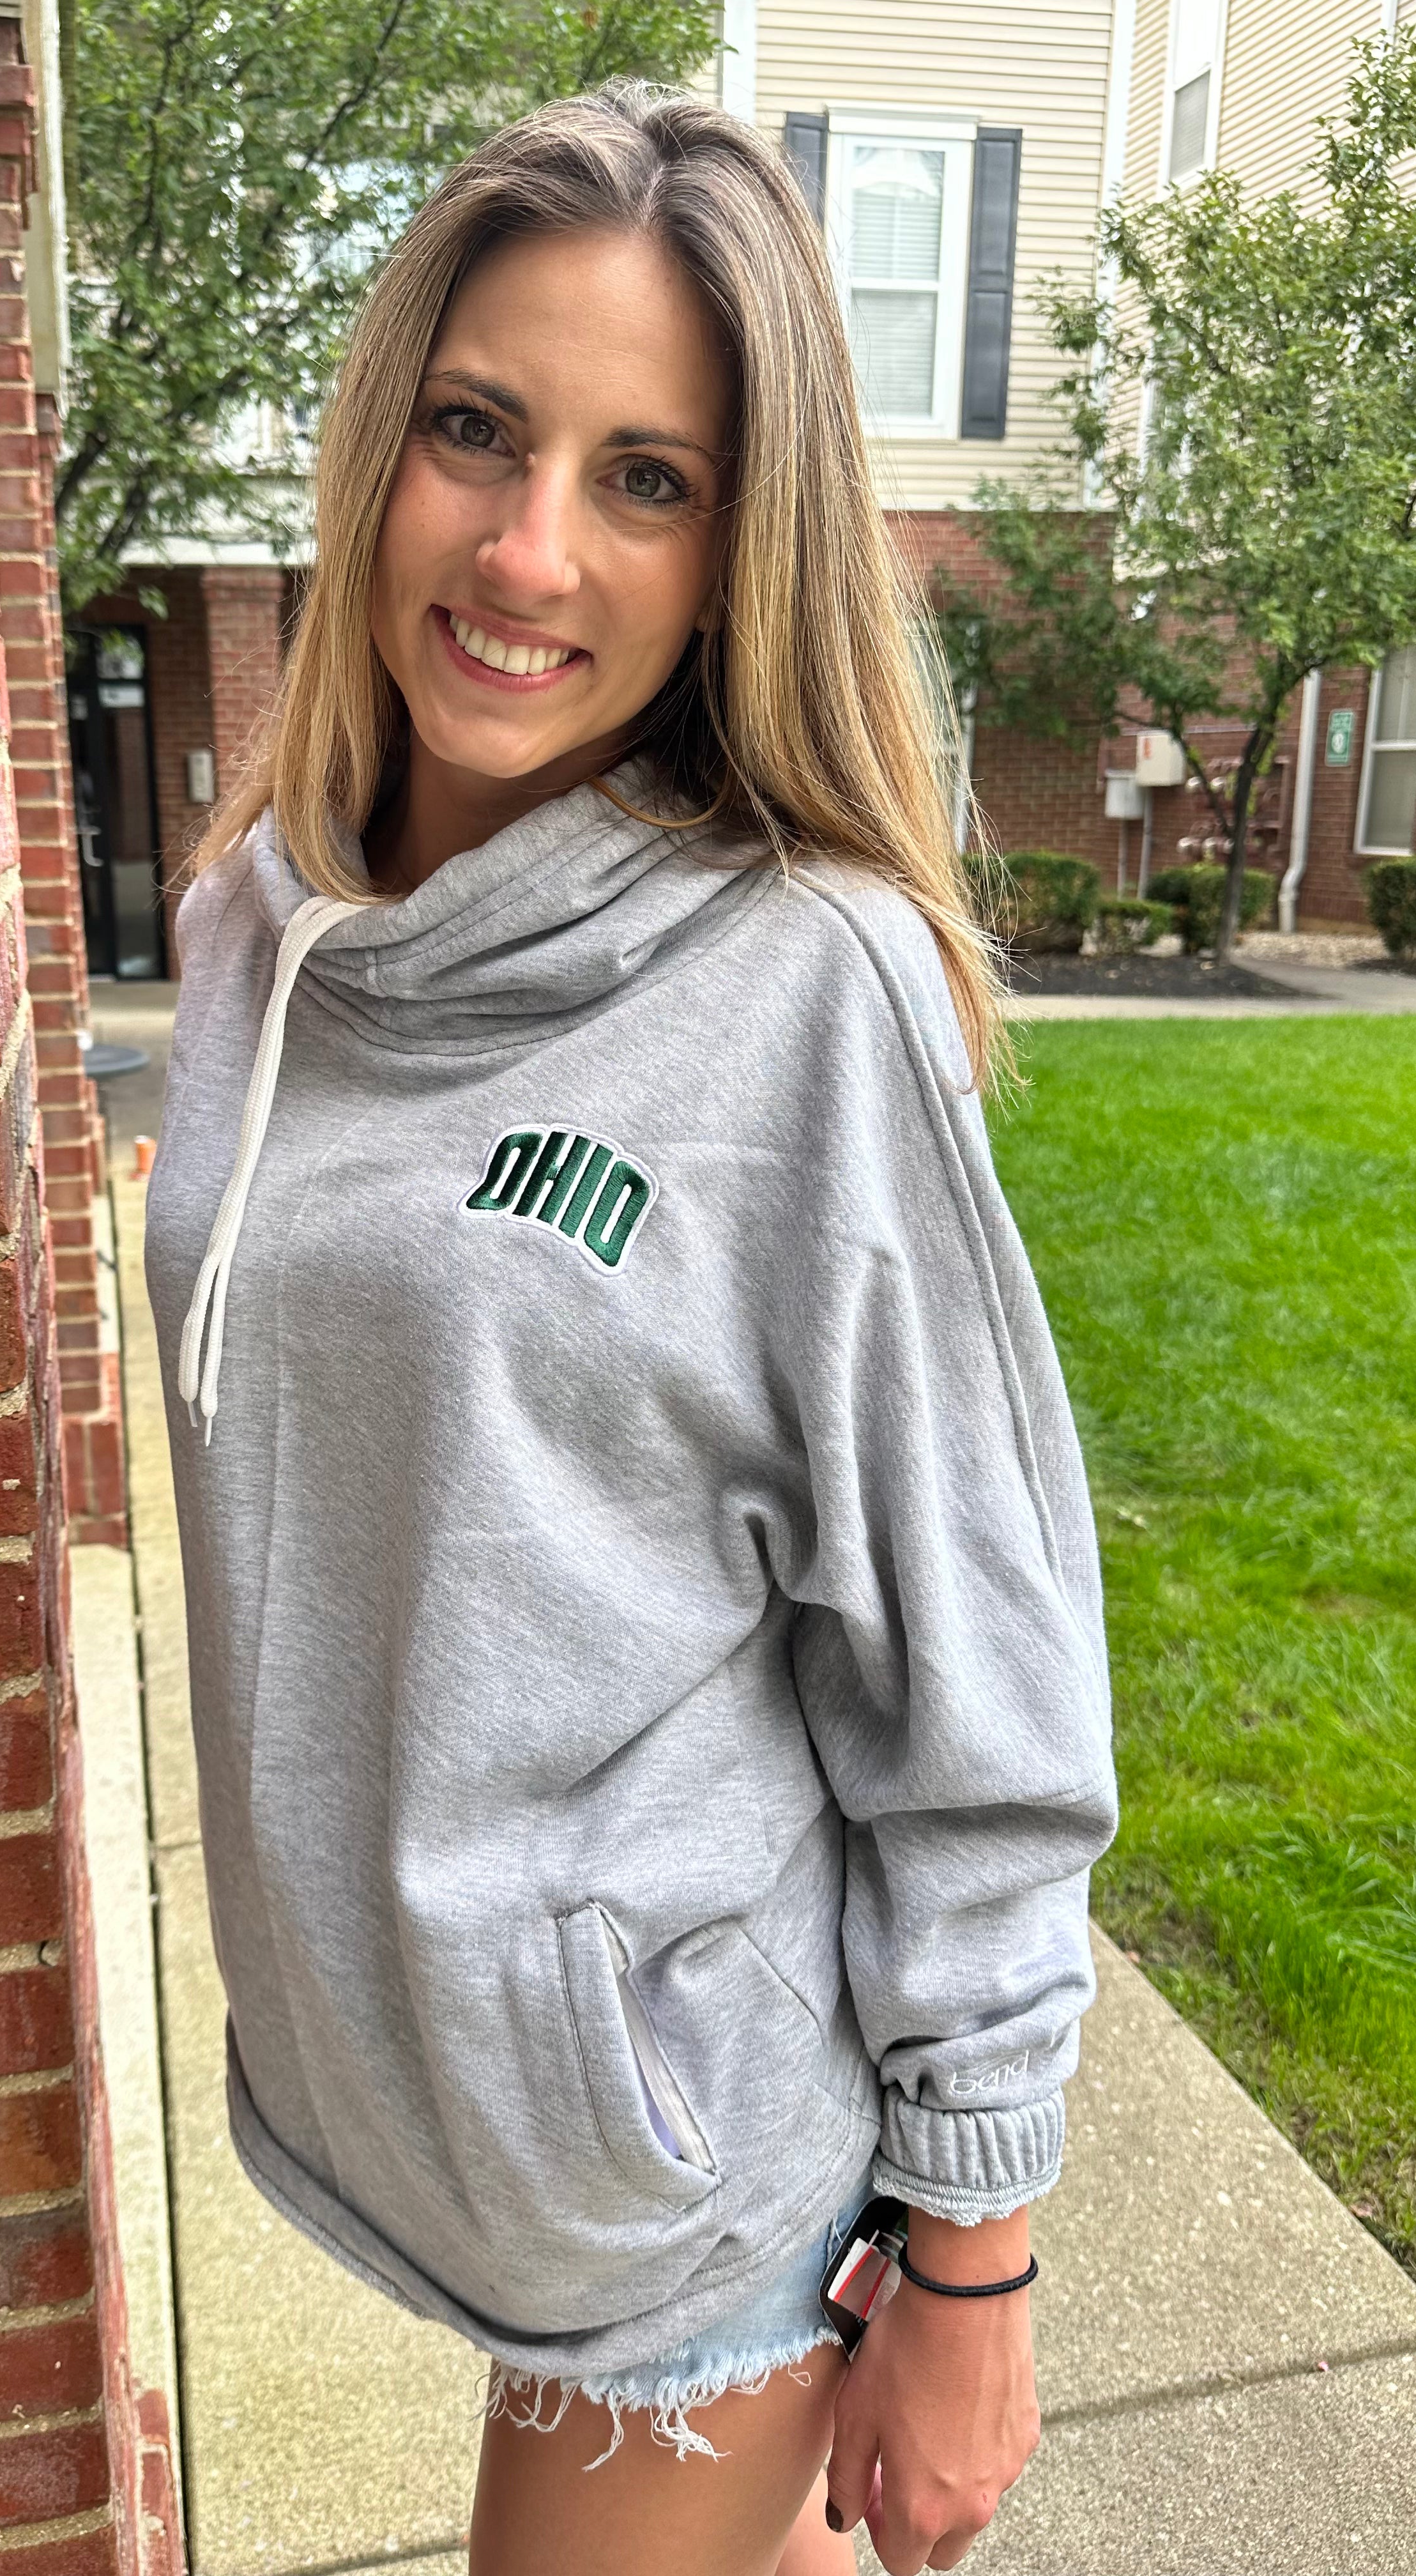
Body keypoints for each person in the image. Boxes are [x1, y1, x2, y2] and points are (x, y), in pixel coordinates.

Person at [144, 81, 1116, 2576]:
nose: (526, 549)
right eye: (476, 429)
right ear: (381, 441)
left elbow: (979, 1678)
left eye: (645, 478)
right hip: (444, 2114)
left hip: (680, 2180)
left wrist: (973, 2262)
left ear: (734, 554)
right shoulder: (257, 929)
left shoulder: (803, 993)